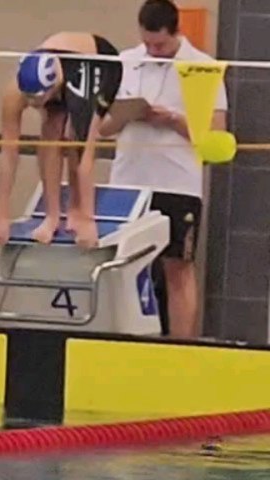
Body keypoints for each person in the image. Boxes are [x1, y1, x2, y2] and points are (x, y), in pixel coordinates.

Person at [100, 0, 228, 339]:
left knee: (178, 268)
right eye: (148, 44)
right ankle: (122, 339)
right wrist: (127, 114)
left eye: (160, 45)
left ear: (176, 32)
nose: (153, 51)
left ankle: (180, 348)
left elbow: (216, 133)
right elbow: (101, 128)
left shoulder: (203, 68)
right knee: (122, 265)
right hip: (127, 183)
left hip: (177, 183)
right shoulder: (126, 62)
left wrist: (173, 120)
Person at [0, 32, 122, 248]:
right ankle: (52, 216)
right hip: (60, 62)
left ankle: (76, 210)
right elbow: (8, 154)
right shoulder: (13, 93)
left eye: (39, 100)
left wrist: (89, 221)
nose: (35, 106)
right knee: (50, 131)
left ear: (52, 87)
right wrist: (0, 214)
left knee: (76, 139)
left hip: (99, 62)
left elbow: (86, 159)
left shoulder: (79, 91)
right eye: (30, 100)